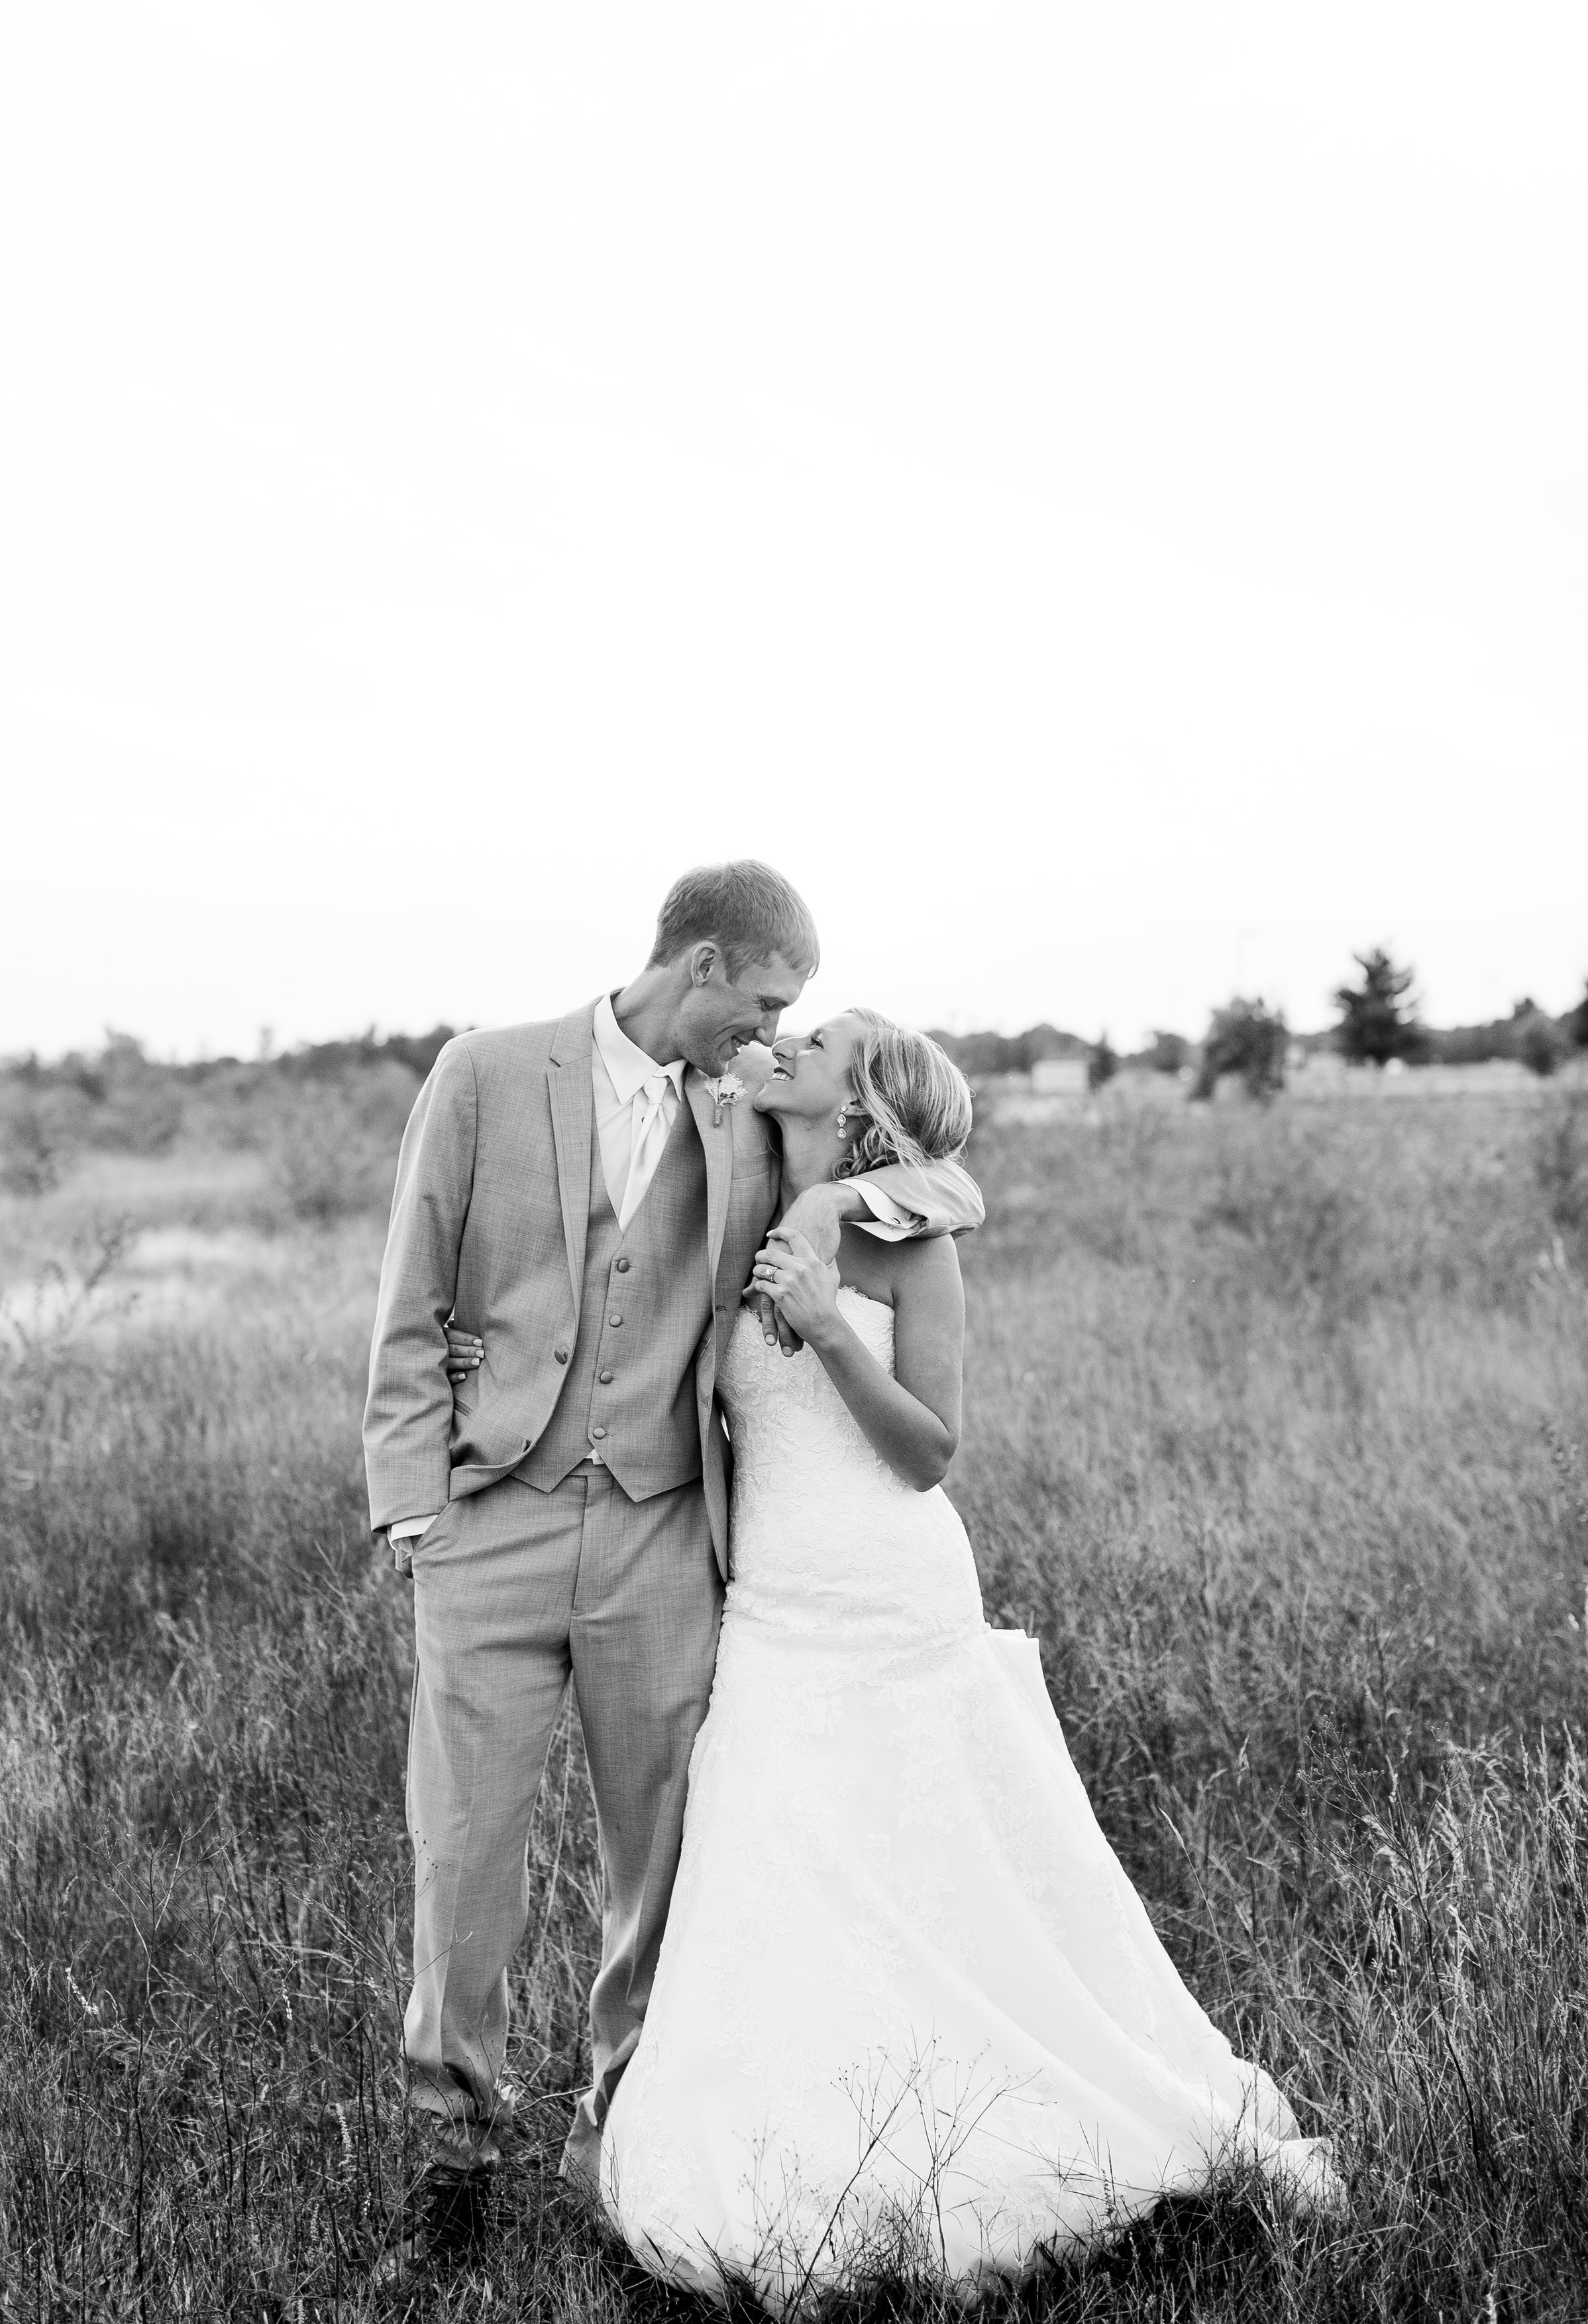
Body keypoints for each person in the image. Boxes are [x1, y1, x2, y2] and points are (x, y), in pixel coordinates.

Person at [598, 1008, 1338, 2307]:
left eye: (817, 1037)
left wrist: (828, 1324)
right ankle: (790, 2130)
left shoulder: (912, 1249)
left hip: (888, 1593)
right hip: (772, 1608)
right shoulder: (766, 1197)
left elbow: (930, 1450)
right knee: (776, 1866)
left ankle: (980, 2136)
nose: (791, 1036)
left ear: (865, 1100)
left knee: (926, 1873)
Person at [361, 863, 983, 2271]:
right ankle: (452, 2154)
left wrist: (822, 1221)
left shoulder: (753, 1113)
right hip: (488, 1525)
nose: (774, 1033)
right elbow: (412, 1296)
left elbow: (938, 1169)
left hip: (660, 1531)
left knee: (661, 1861)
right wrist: (415, 1512)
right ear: (701, 963)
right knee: (462, 1854)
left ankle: (619, 2129)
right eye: (766, 1001)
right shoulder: (485, 1072)